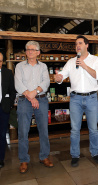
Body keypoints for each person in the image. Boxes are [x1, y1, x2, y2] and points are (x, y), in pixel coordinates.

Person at [55, 35, 98, 167]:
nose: (77, 46)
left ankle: (95, 153)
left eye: (80, 43)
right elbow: (61, 76)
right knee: (75, 129)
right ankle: (75, 155)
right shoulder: (71, 62)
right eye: (76, 43)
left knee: (93, 129)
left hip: (92, 98)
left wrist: (84, 65)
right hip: (75, 98)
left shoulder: (95, 60)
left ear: (87, 45)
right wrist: (58, 77)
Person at [15, 41, 53, 174]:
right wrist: (30, 96)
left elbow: (46, 82)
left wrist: (35, 92)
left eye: (33, 49)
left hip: (41, 100)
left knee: (44, 131)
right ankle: (24, 159)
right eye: (27, 49)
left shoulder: (43, 66)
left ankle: (44, 156)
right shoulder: (19, 66)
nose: (30, 51)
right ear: (25, 52)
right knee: (23, 132)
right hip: (24, 101)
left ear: (38, 52)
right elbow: (18, 83)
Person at [0, 53, 16, 168]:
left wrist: (9, 104)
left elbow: (12, 91)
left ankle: (0, 159)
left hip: (3, 108)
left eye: (0, 61)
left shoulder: (7, 73)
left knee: (1, 134)